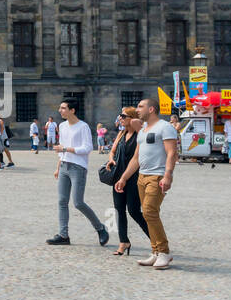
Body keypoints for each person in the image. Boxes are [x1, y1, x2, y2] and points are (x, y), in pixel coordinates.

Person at [115, 97, 177, 268]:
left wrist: (168, 175)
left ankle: (164, 252)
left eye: (141, 106)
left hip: (157, 176)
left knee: (150, 212)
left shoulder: (165, 127)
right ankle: (156, 251)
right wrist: (124, 178)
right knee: (147, 213)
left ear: (151, 109)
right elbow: (136, 158)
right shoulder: (142, 131)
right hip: (142, 176)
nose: (137, 109)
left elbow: (172, 153)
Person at [47, 99, 110, 248]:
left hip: (78, 167)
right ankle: (63, 235)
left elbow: (87, 148)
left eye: (63, 108)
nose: (60, 110)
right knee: (62, 202)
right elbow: (61, 148)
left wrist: (65, 149)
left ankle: (100, 228)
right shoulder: (62, 126)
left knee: (78, 202)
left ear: (72, 110)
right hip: (64, 166)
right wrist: (58, 166)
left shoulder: (83, 127)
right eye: (60, 108)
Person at [106, 108, 150, 256]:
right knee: (119, 210)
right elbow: (112, 151)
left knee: (134, 211)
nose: (120, 118)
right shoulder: (121, 133)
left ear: (132, 118)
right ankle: (123, 241)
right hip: (118, 177)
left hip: (133, 178)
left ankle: (156, 239)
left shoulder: (139, 135)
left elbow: (135, 159)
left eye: (123, 116)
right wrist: (111, 159)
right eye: (120, 116)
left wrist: (125, 177)